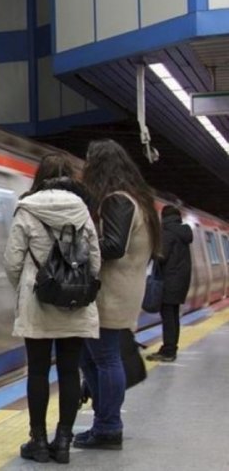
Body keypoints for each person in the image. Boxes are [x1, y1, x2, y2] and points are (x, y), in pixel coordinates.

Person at [4, 153, 101, 464]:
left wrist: (29, 286)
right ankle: (63, 441)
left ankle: (39, 442)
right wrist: (76, 284)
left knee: (38, 371)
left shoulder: (27, 209)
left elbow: (12, 261)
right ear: (71, 178)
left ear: (40, 177)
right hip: (74, 303)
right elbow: (96, 262)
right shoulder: (83, 211)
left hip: (37, 302)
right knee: (70, 370)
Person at [75, 140, 161, 451]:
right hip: (124, 289)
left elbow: (113, 246)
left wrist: (79, 247)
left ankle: (109, 427)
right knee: (92, 357)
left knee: (105, 358)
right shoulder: (138, 200)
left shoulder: (117, 201)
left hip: (111, 292)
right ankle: (104, 422)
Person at [147, 205, 193, 362]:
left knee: (168, 317)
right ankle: (171, 348)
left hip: (168, 281)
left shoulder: (167, 232)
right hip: (179, 282)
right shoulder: (182, 232)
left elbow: (161, 255)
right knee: (173, 316)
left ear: (163, 217)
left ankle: (168, 351)